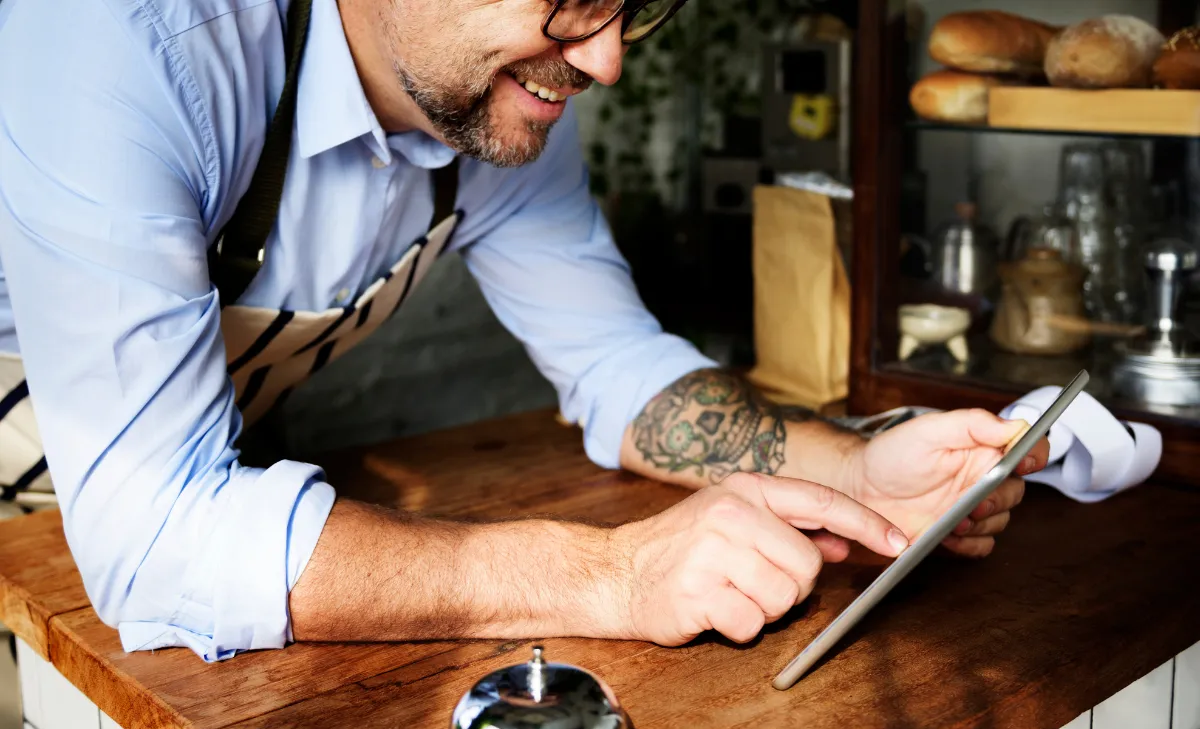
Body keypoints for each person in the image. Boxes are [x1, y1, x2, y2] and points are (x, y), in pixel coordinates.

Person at [0, 0, 1048, 662]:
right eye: (571, 0)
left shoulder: (498, 104)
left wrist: (851, 471)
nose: (607, 60)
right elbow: (155, 532)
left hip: (188, 463)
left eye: (634, 7)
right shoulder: (127, 39)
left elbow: (614, 361)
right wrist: (614, 575)